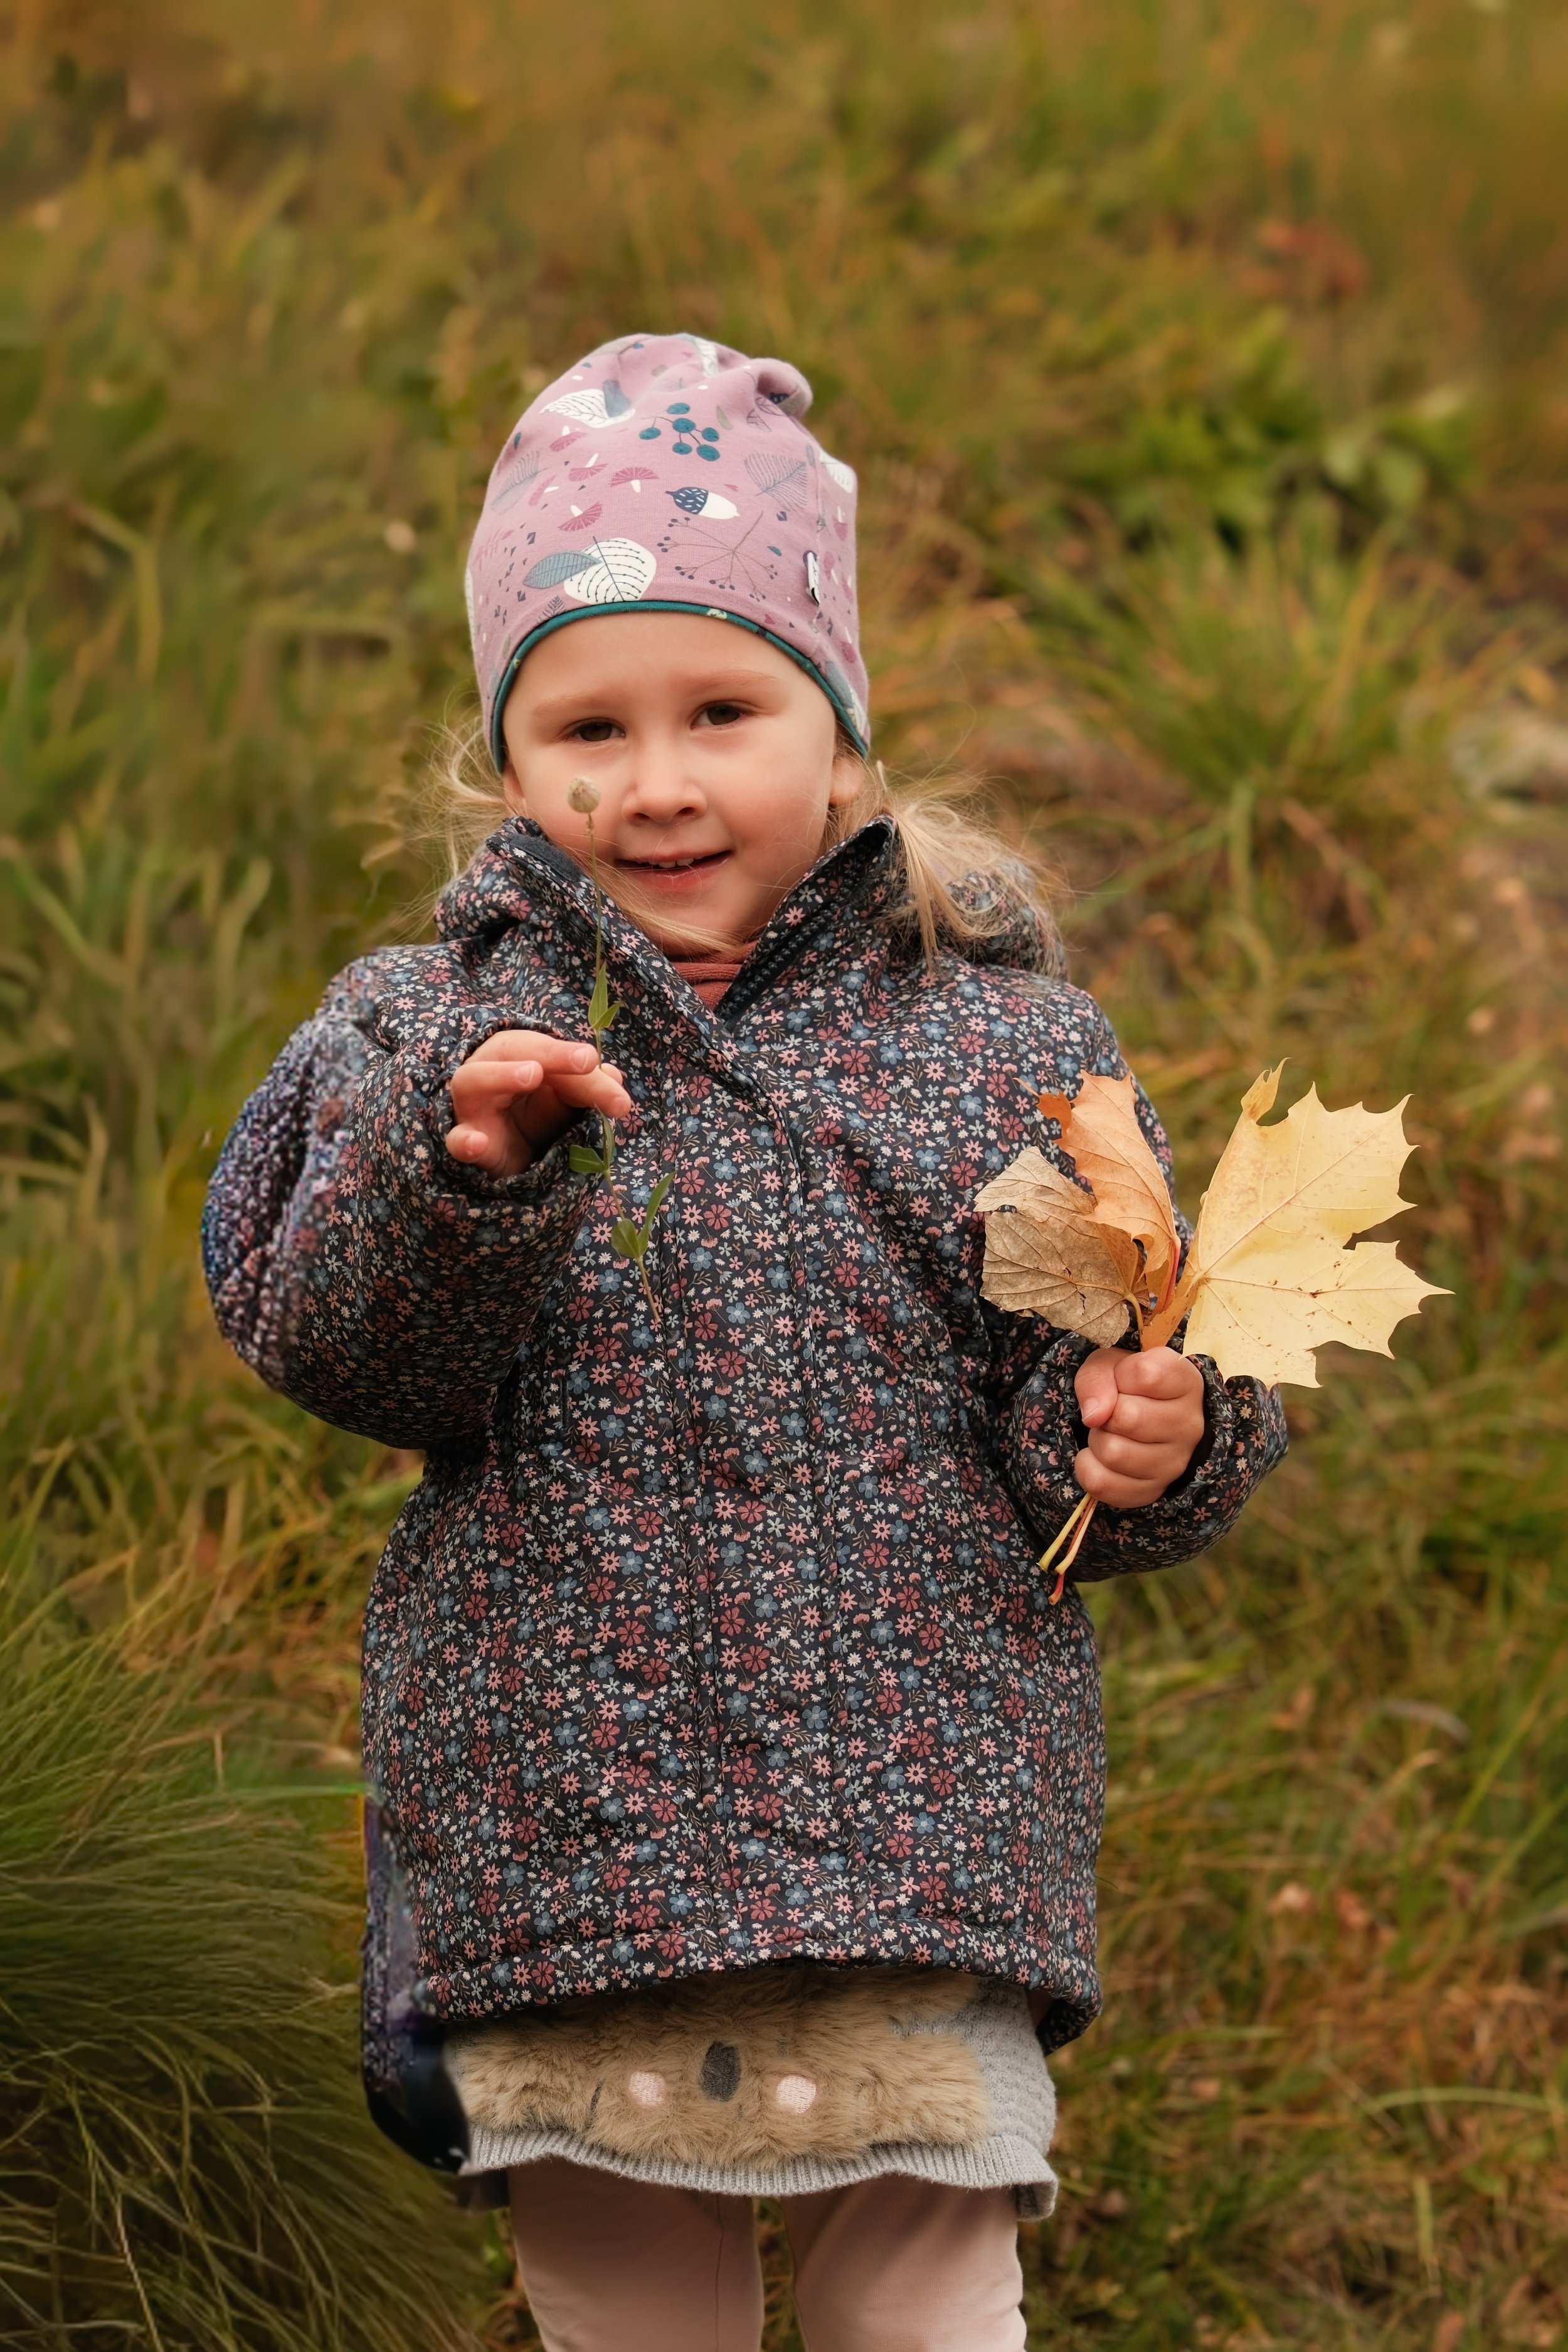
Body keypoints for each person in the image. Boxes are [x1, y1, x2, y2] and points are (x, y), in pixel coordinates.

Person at [204, 333, 1286, 2352]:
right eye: (584, 729)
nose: (659, 782)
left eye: (724, 707)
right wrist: (471, 1178)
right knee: (629, 2303)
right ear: (507, 768)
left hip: (923, 1806)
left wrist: (1142, 1437)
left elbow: (1103, 1373)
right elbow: (328, 1341)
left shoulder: (997, 1043)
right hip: (567, 1812)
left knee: (926, 2294)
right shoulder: (424, 1023)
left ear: (845, 740)